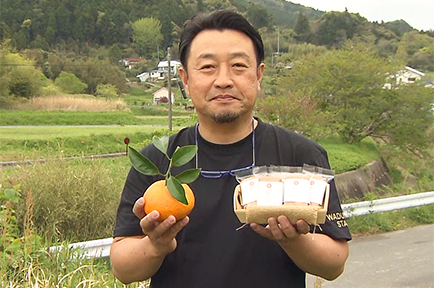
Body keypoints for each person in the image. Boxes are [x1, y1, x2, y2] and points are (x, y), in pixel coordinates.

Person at [110, 9, 351, 288]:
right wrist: (155, 246)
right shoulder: (159, 160)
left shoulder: (301, 155)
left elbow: (334, 262)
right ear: (185, 79)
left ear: (259, 75)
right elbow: (122, 267)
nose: (223, 80)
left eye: (238, 66)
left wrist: (294, 240)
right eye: (208, 67)